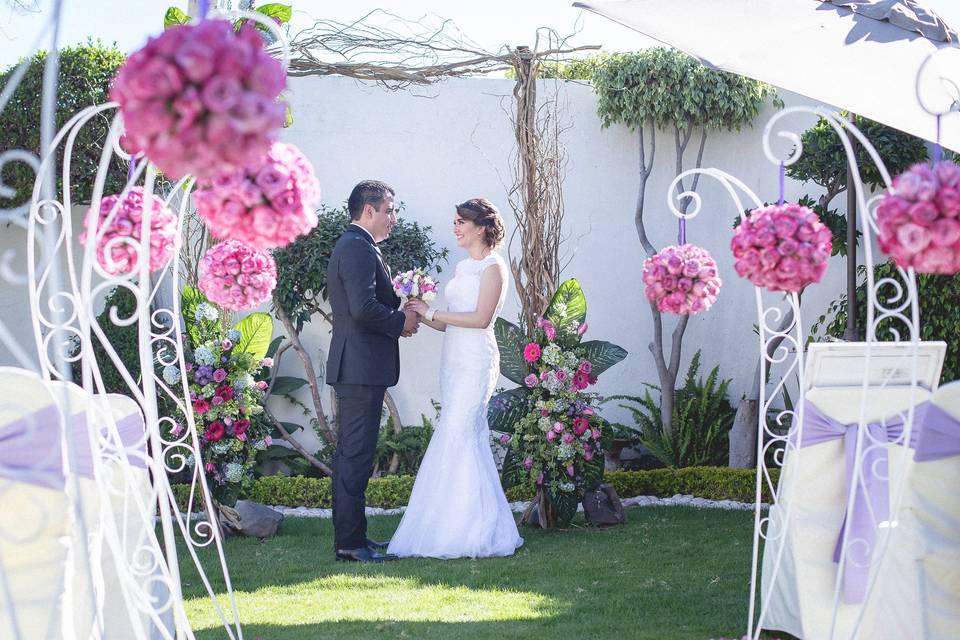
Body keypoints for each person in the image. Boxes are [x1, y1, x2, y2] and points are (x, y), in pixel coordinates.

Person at [387, 197, 524, 559]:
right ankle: (445, 524)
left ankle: (475, 530)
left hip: (477, 359)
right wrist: (419, 311)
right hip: (454, 359)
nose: (456, 227)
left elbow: (481, 320)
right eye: (456, 221)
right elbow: (448, 322)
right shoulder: (463, 268)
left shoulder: (493, 267)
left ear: (481, 228)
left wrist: (435, 311)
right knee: (454, 431)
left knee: (462, 433)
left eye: (462, 222)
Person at [326, 180, 419, 563]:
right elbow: (362, 309)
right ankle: (350, 543)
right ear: (369, 211)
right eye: (389, 210)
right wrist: (400, 321)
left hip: (362, 368)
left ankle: (355, 537)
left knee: (357, 454)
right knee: (355, 455)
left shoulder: (360, 246)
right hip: (358, 368)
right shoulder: (356, 247)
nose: (393, 218)